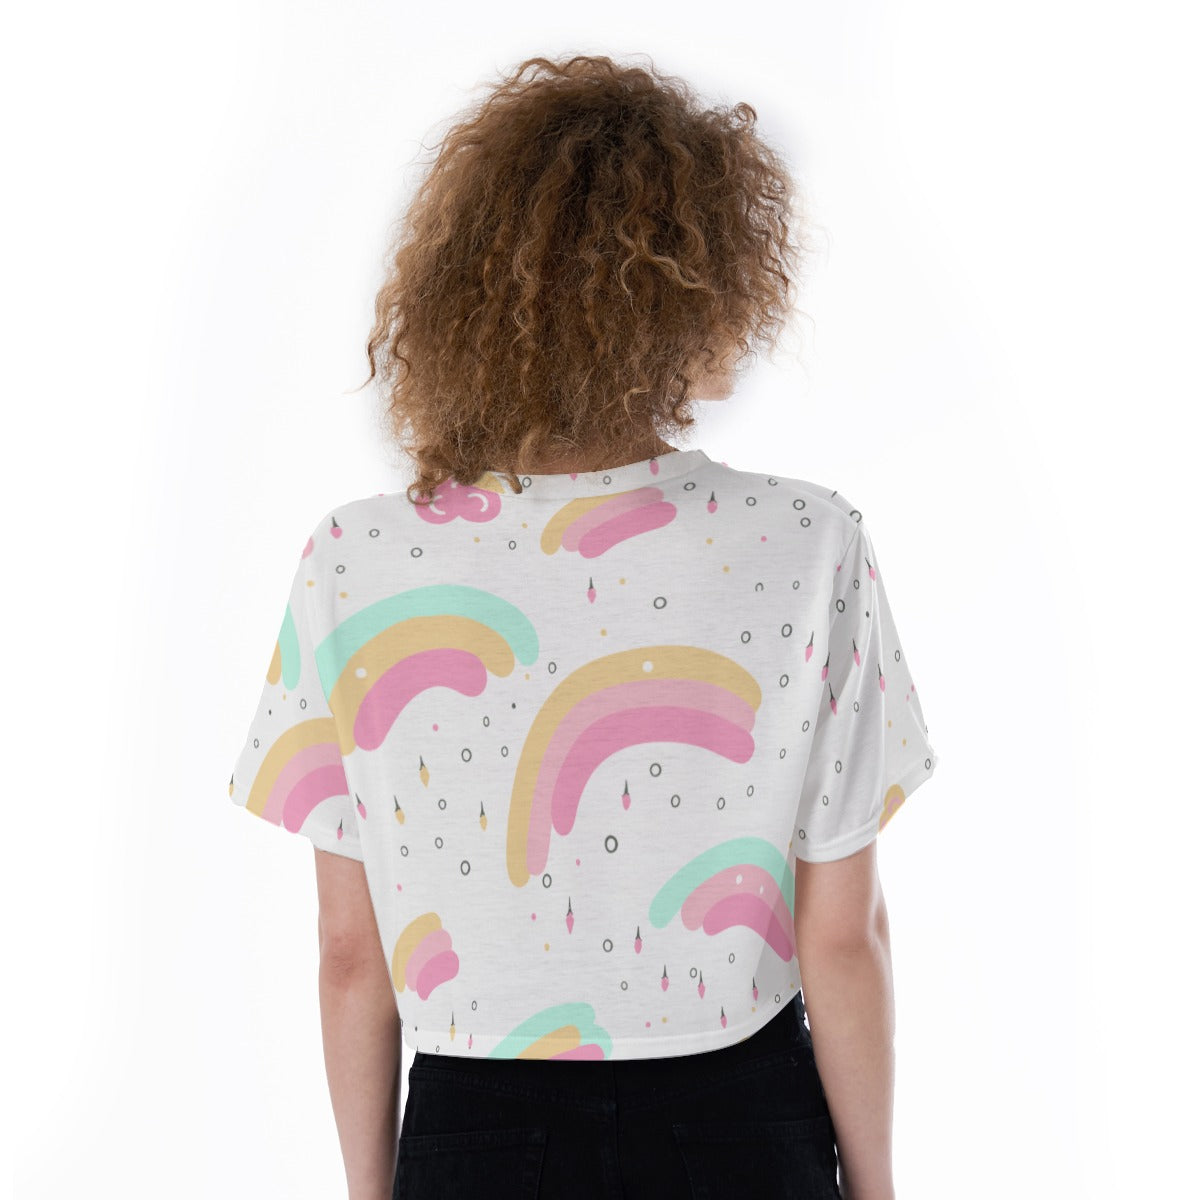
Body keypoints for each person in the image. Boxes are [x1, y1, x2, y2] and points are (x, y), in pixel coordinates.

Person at [228, 53, 938, 1200]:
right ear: (705, 285)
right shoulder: (808, 543)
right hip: (741, 1123)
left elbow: (351, 954)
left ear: (460, 286)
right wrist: (877, 1188)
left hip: (473, 1130)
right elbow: (842, 937)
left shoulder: (355, 559)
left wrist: (372, 1189)